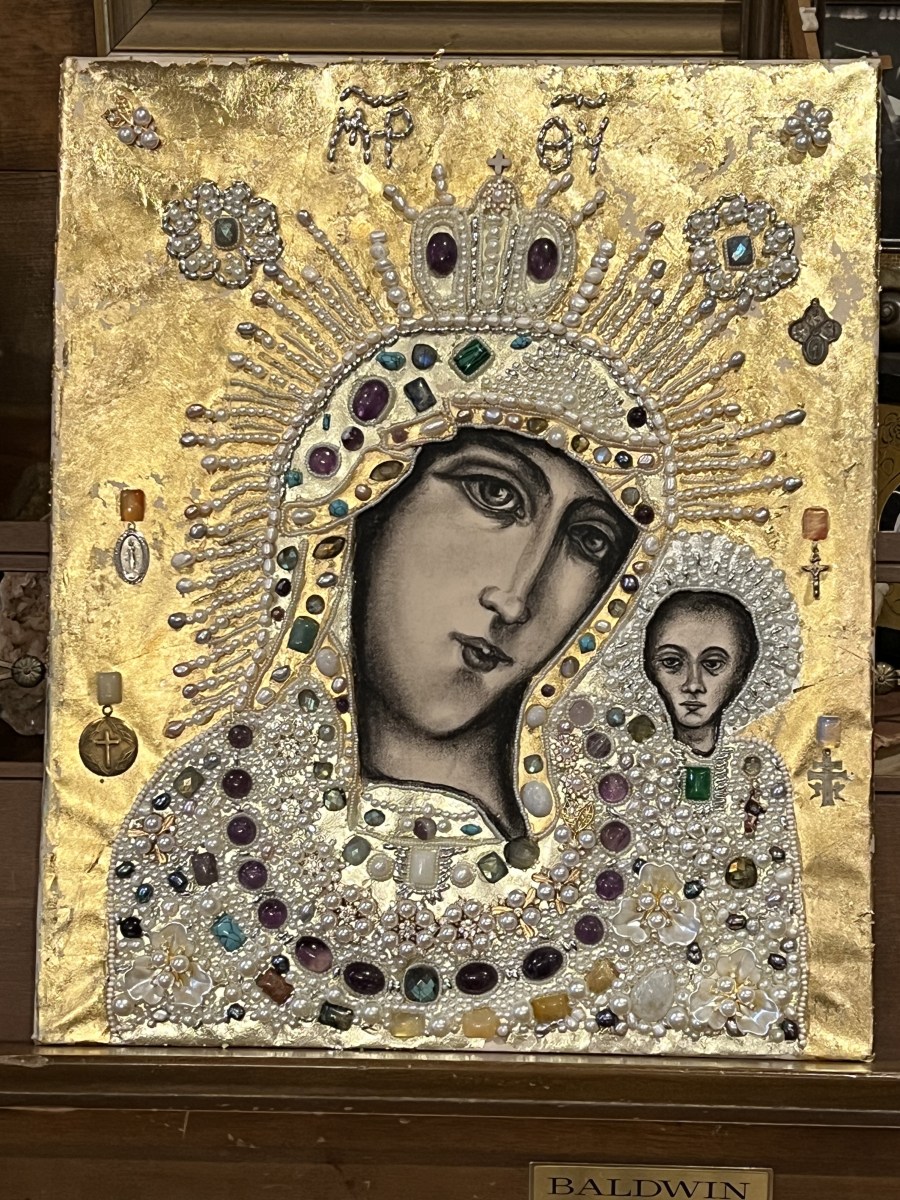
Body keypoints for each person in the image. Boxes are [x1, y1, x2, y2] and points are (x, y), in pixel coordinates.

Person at [352, 428, 637, 839]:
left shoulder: (593, 842)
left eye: (590, 539)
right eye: (494, 493)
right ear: (377, 500)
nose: (514, 602)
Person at [644, 590, 759, 757]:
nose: (693, 685)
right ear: (650, 668)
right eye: (672, 662)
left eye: (712, 664)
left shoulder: (757, 761)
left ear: (741, 673)